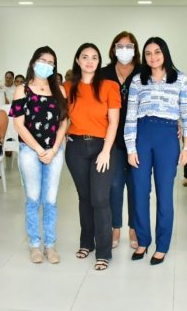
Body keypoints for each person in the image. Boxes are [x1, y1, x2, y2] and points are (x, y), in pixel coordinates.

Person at [125, 37, 187, 265]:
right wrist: (130, 148)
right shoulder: (137, 81)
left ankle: (162, 245)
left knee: (165, 195)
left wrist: (186, 147)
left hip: (167, 137)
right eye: (148, 54)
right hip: (142, 135)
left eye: (157, 52)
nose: (153, 57)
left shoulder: (180, 79)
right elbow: (130, 116)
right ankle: (143, 241)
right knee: (140, 192)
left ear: (165, 53)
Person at [9, 46, 68, 264]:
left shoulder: (59, 90)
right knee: (33, 199)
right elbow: (18, 124)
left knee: (50, 200)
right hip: (30, 151)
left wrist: (53, 149)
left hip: (54, 151)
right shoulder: (22, 90)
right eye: (43, 60)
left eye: (51, 62)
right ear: (34, 62)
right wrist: (39, 149)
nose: (47, 65)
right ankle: (34, 245)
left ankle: (50, 246)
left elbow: (64, 122)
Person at [65, 43, 120, 271]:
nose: (89, 61)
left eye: (94, 57)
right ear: (78, 60)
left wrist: (106, 150)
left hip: (102, 148)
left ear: (99, 61)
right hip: (75, 147)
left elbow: (114, 121)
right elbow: (63, 120)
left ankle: (104, 251)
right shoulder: (68, 87)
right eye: (85, 57)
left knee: (100, 199)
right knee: (84, 197)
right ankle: (86, 242)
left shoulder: (109, 86)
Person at [101, 31, 140, 250]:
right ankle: (115, 227)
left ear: (135, 49)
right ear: (113, 48)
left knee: (136, 185)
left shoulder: (144, 72)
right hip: (111, 137)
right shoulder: (104, 72)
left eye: (129, 46)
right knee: (114, 185)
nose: (124, 50)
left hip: (138, 138)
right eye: (120, 45)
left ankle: (134, 228)